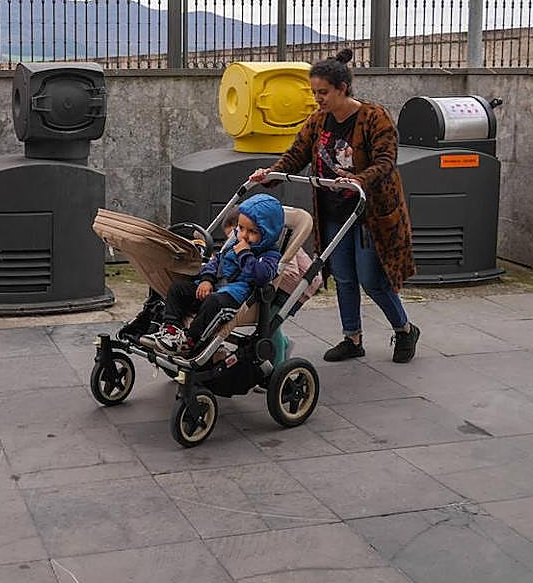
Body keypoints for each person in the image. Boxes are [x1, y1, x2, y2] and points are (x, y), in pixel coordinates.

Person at [249, 48, 420, 363]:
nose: (318, 99)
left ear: (343, 88)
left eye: (324, 92)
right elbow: (296, 155)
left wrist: (359, 179)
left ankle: (405, 329)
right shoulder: (318, 121)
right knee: (342, 276)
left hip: (370, 213)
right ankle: (352, 338)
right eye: (314, 92)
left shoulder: (374, 117)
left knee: (371, 279)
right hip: (334, 211)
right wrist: (270, 175)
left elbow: (386, 161)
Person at [144, 193, 284, 356]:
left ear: (268, 233)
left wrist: (245, 254)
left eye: (252, 231)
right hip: (214, 288)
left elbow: (262, 276)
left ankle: (189, 340)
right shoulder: (235, 242)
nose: (244, 235)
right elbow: (216, 260)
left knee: (214, 302)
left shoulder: (270, 255)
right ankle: (170, 330)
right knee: (178, 288)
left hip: (233, 300)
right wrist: (207, 280)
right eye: (241, 228)